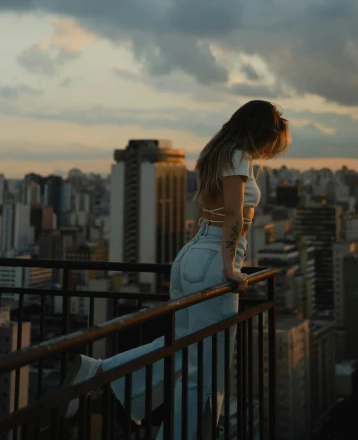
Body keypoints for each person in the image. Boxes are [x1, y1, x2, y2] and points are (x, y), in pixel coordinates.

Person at [63, 99, 290, 439]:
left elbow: (207, 212)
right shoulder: (239, 156)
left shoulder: (218, 151)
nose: (268, 150)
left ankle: (100, 371)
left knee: (183, 347)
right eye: (270, 141)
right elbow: (232, 214)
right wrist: (230, 267)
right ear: (259, 131)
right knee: (207, 373)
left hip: (193, 254)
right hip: (214, 256)